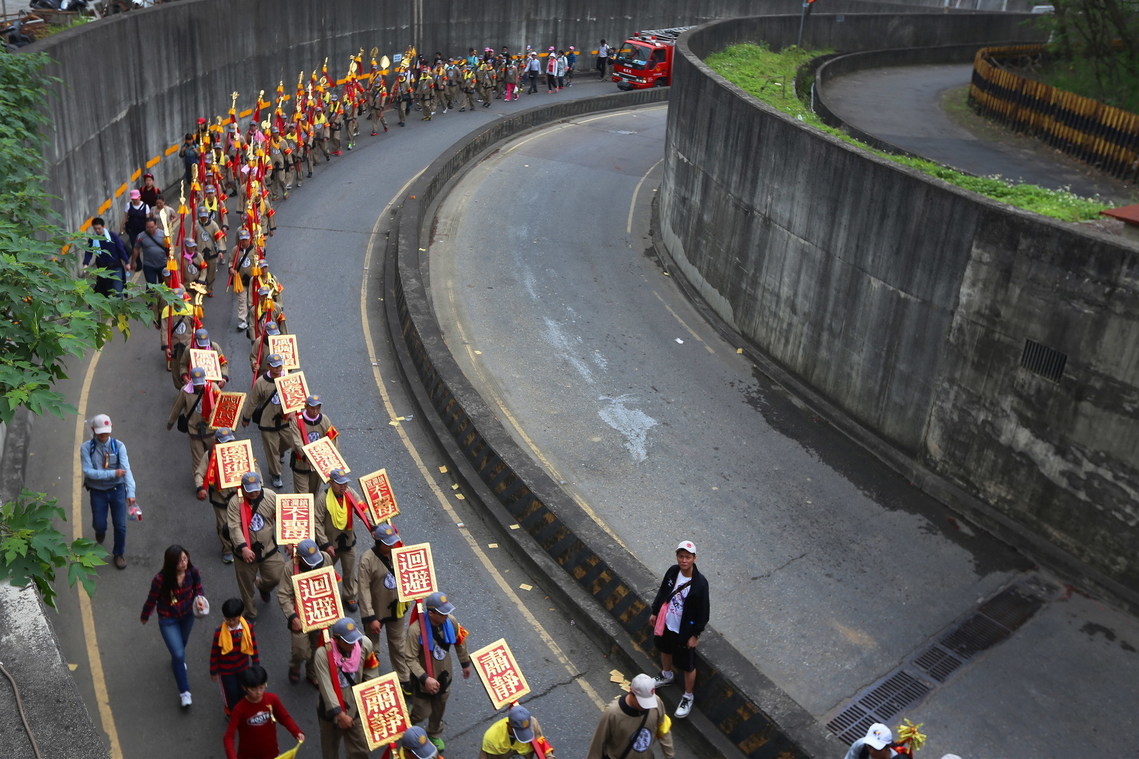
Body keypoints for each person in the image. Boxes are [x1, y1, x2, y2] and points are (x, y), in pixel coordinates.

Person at [648, 539, 709, 719]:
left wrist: (695, 634)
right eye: (681, 556)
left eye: (687, 557)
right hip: (667, 622)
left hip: (684, 630)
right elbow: (662, 592)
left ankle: (688, 696)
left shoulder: (700, 584)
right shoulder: (673, 572)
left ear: (694, 559)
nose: (684, 560)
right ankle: (666, 674)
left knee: (688, 665)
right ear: (677, 557)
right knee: (664, 648)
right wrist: (655, 611)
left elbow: (703, 611)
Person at [140, 545, 206, 708]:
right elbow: (152, 598)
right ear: (171, 563)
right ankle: (184, 692)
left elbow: (198, 589)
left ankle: (177, 663)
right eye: (179, 561)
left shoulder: (193, 572)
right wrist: (145, 615)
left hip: (187, 616)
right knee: (178, 653)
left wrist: (199, 598)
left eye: (185, 558)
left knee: (181, 646)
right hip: (168, 619)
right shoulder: (160, 580)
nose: (184, 563)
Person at [407, 590, 472, 752]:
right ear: (431, 613)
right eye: (443, 613)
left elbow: (460, 641)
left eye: (447, 611)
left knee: (439, 706)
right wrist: (425, 678)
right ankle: (409, 720)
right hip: (423, 679)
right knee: (422, 712)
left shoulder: (451, 622)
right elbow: (410, 658)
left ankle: (434, 732)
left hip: (444, 674)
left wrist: (465, 663)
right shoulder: (416, 631)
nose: (446, 616)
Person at [313, 617, 380, 759]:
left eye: (354, 639)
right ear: (336, 640)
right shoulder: (322, 654)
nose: (353, 644)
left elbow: (371, 669)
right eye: (348, 641)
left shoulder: (364, 644)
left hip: (356, 706)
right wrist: (340, 715)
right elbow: (326, 687)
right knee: (330, 750)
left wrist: (371, 693)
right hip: (331, 711)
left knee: (361, 749)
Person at [357, 523, 412, 688]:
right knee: (372, 646)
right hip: (376, 610)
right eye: (387, 543)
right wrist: (371, 616)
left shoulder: (398, 553)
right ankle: (370, 680)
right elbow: (363, 589)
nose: (391, 545)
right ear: (379, 542)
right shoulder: (367, 559)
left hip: (396, 608)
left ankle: (404, 677)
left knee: (398, 644)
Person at [79, 413, 136, 570]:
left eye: (106, 432)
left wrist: (131, 492)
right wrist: (113, 473)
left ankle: (119, 553)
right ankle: (100, 531)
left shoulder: (119, 447)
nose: (104, 435)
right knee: (99, 524)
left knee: (120, 525)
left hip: (117, 490)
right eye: (101, 432)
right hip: (97, 492)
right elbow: (88, 472)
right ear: (93, 430)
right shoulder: (86, 448)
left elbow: (127, 470)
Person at [227, 472, 285, 623]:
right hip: (245, 553)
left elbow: (284, 516)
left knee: (276, 576)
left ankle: (263, 586)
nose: (253, 492)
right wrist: (243, 548)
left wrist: (291, 541)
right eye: (249, 490)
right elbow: (234, 527)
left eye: (256, 489)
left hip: (268, 548)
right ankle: (250, 612)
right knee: (246, 586)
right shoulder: (235, 503)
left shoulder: (271, 496)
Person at [278, 538, 335, 686]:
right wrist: (292, 617)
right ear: (299, 558)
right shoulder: (290, 568)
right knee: (300, 651)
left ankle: (312, 673)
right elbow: (284, 595)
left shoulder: (326, 558)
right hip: (300, 615)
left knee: (318, 647)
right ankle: (295, 665)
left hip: (321, 612)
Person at [223, 665, 305, 759]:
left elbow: (284, 718)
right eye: (253, 689)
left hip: (271, 753)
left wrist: (296, 732)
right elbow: (228, 737)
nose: (258, 692)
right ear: (244, 688)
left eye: (262, 687)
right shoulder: (239, 709)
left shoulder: (272, 699)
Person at [585, 674, 674, 759]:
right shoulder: (612, 713)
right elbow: (598, 744)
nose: (646, 706)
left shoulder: (657, 703)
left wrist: (670, 755)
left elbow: (663, 730)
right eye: (642, 701)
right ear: (631, 692)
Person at [166, 366, 219, 497]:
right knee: (198, 459)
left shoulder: (214, 389)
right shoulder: (185, 391)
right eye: (197, 383)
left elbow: (222, 407)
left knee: (214, 456)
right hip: (194, 430)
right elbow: (177, 407)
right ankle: (200, 486)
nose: (199, 386)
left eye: (201, 383)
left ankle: (215, 478)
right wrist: (170, 422)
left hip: (211, 430)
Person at [315, 467, 362, 612]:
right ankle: (322, 595)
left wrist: (373, 526)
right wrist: (325, 543)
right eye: (339, 483)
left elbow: (361, 508)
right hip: (330, 544)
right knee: (325, 571)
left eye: (345, 483)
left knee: (349, 571)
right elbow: (317, 522)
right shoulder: (323, 498)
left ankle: (349, 596)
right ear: (330, 483)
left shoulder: (350, 493)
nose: (344, 486)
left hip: (348, 542)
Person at [242, 352, 289, 488]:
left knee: (290, 441)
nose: (278, 369)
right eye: (274, 367)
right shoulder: (261, 383)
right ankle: (276, 474)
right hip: (267, 422)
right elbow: (252, 402)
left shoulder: (288, 379)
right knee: (271, 449)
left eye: (279, 366)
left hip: (286, 421)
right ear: (268, 366)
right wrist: (246, 417)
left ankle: (280, 451)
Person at [209, 598, 261, 713]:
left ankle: (243, 710)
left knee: (244, 690)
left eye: (233, 619)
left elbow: (253, 646)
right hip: (226, 671)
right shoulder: (219, 632)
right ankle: (231, 711)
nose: (230, 622)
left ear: (240, 615)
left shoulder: (247, 628)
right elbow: (214, 652)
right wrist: (213, 671)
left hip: (243, 667)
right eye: (228, 619)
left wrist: (256, 664)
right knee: (230, 692)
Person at [287, 394, 338, 496]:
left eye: (318, 408)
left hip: (318, 464)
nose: (315, 412)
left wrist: (334, 461)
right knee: (303, 496)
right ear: (306, 407)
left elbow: (332, 439)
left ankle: (313, 511)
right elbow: (297, 442)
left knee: (313, 493)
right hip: (301, 463)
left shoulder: (325, 420)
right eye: (312, 408)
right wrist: (306, 456)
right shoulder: (297, 421)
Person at [479, 704, 553, 759]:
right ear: (509, 725)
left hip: (525, 753)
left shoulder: (533, 723)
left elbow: (540, 741)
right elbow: (485, 755)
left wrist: (549, 756)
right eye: (518, 731)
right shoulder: (492, 737)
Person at [82, 217, 131, 297]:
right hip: (102, 269)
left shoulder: (112, 236)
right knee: (106, 291)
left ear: (103, 226)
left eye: (99, 228)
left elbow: (120, 249)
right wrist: (85, 264)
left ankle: (120, 307)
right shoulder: (92, 239)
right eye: (95, 229)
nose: (97, 230)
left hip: (115, 266)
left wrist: (126, 262)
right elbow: (88, 252)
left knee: (118, 289)